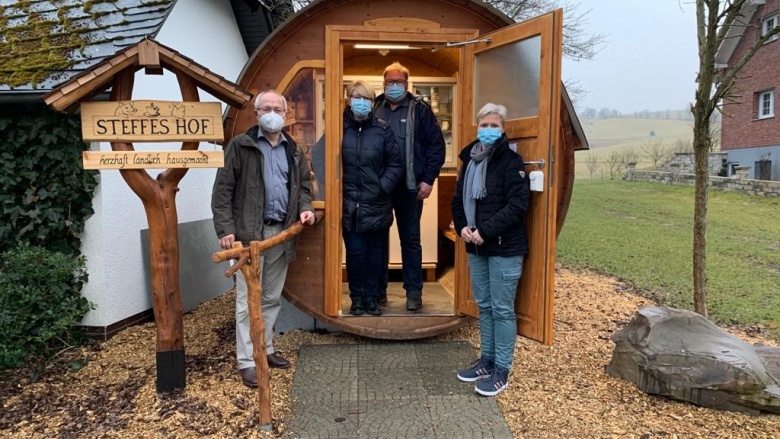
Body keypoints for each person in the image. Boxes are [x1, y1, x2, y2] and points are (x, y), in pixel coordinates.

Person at [211, 90, 316, 388]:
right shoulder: (239, 146)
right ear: (256, 114)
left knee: (270, 297)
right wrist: (225, 229)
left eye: (277, 108)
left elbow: (304, 187)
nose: (272, 113)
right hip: (249, 237)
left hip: (281, 235)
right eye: (265, 108)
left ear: (285, 114)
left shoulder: (292, 150)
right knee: (247, 301)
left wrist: (305, 210)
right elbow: (222, 191)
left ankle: (265, 348)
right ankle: (247, 361)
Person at [451, 103, 530, 397]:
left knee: (501, 309)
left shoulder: (511, 162)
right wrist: (463, 228)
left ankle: (501, 370)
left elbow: (518, 206)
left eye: (494, 125)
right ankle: (486, 360)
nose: (487, 130)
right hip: (475, 247)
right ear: (476, 126)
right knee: (484, 306)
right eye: (483, 125)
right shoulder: (469, 161)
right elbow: (458, 200)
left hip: (504, 248)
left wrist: (485, 230)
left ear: (503, 129)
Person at [373, 61, 446, 312]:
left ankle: (414, 293)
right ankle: (378, 292)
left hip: (411, 187)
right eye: (390, 82)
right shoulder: (374, 108)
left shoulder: (421, 110)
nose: (394, 86)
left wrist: (429, 180)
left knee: (411, 241)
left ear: (407, 83)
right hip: (380, 188)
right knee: (378, 240)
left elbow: (436, 146)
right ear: (383, 84)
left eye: (399, 82)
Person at [341, 80, 403, 316]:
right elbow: (320, 156)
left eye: (366, 98)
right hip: (350, 205)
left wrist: (382, 187)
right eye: (357, 97)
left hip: (376, 203)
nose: (361, 102)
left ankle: (371, 299)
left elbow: (395, 164)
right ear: (348, 99)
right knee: (356, 254)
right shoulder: (339, 127)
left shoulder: (382, 129)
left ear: (372, 101)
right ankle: (356, 299)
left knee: (375, 255)